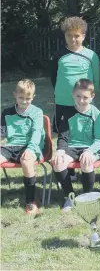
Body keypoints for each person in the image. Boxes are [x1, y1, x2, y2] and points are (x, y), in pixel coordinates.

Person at [50, 16, 100, 181]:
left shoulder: (91, 55)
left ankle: (85, 162)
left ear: (83, 36)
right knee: (64, 135)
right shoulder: (58, 55)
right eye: (69, 35)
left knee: (82, 133)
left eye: (77, 35)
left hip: (83, 104)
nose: (73, 39)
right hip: (63, 102)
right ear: (64, 36)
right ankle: (67, 170)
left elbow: (97, 79)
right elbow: (53, 78)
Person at [51, 79, 100, 212]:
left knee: (86, 162)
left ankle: (87, 197)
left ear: (92, 97)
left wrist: (89, 151)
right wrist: (60, 151)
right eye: (78, 96)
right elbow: (63, 136)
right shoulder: (67, 113)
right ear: (73, 95)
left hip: (93, 148)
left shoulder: (96, 114)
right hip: (72, 147)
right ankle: (70, 197)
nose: (81, 100)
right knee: (58, 162)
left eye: (85, 97)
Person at [0, 79, 44, 215]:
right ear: (15, 95)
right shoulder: (6, 112)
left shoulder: (37, 112)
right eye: (21, 98)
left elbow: (37, 134)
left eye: (28, 98)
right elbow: (1, 132)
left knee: (26, 162)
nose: (24, 101)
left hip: (30, 145)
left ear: (33, 97)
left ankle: (31, 201)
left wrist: (30, 149)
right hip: (11, 146)